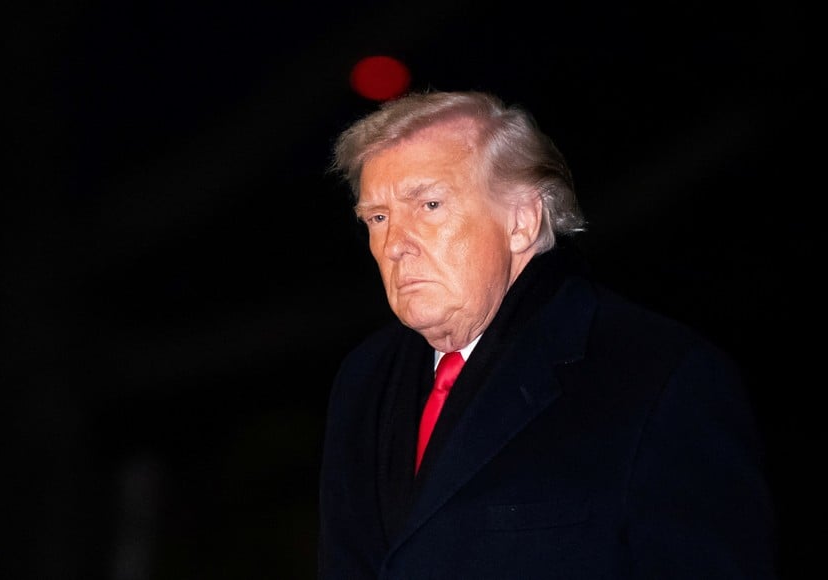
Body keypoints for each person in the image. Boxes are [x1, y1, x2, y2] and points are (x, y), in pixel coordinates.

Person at [317, 89, 777, 579]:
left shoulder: (658, 375)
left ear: (522, 220)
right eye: (378, 218)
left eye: (429, 204)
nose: (394, 245)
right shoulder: (363, 378)